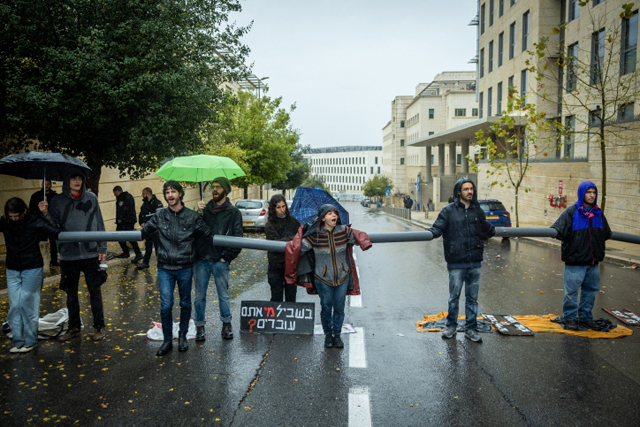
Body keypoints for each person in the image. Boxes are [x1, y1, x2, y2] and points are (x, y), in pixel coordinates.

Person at [284, 204, 372, 349]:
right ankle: (328, 336)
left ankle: (337, 336)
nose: (334, 216)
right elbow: (297, 248)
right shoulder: (315, 235)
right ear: (323, 218)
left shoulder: (344, 231)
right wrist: (301, 233)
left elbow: (357, 235)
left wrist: (364, 241)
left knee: (339, 308)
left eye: (335, 213)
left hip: (342, 278)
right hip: (322, 279)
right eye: (330, 213)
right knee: (326, 308)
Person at [142, 181, 212, 356]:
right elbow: (145, 232)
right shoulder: (160, 216)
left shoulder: (192, 216)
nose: (170, 195)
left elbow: (207, 235)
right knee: (166, 306)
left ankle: (182, 336)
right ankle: (167, 341)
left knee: (185, 303)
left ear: (180, 194)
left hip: (185, 267)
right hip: (164, 267)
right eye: (167, 192)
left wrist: (202, 214)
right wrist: (158, 243)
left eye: (173, 191)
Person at [43, 171, 108, 342]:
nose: (77, 181)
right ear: (66, 180)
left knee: (95, 291)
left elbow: (99, 222)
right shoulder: (56, 201)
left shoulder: (91, 198)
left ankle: (99, 327)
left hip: (91, 253)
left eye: (80, 178)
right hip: (68, 255)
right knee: (71, 294)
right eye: (73, 178)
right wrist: (45, 214)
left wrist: (103, 247)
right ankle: (74, 328)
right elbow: (53, 227)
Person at [429, 178, 495, 343]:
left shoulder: (477, 211)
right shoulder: (448, 211)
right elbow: (437, 227)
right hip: (456, 262)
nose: (469, 192)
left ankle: (471, 329)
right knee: (454, 297)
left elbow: (486, 229)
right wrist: (431, 233)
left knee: (472, 298)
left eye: (471, 189)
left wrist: (491, 228)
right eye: (466, 189)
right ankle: (451, 326)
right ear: (459, 192)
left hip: (475, 262)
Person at [1, 198, 59, 353]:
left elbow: (56, 231)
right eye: (11, 216)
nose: (13, 219)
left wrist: (46, 214)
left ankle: (31, 340)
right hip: (12, 268)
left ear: (24, 211)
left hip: (32, 268)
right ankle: (18, 341)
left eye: (16, 216)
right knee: (15, 305)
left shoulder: (35, 221)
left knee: (28, 304)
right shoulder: (5, 221)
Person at [551, 181, 611, 331]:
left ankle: (585, 317)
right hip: (575, 262)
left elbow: (606, 233)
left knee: (590, 291)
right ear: (582, 193)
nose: (592, 195)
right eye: (588, 192)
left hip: (593, 262)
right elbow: (556, 230)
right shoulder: (571, 212)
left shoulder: (598, 213)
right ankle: (570, 318)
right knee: (571, 292)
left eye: (594, 192)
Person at [194, 177, 243, 342]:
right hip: (201, 259)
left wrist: (226, 257)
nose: (214, 189)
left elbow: (238, 239)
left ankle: (227, 325)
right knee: (199, 296)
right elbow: (195, 232)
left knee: (223, 295)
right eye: (213, 187)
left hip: (219, 260)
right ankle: (199, 327)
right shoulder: (205, 209)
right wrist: (197, 214)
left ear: (225, 190)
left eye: (218, 187)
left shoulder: (233, 212)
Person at [265, 194, 300, 302]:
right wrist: (292, 239)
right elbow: (276, 244)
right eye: (278, 207)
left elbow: (301, 236)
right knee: (276, 297)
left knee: (291, 297)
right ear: (273, 209)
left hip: (291, 264)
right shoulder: (270, 225)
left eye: (283, 206)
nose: (282, 210)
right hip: (276, 265)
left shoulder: (293, 221)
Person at [28, 179, 59, 267]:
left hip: (51, 221)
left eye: (48, 184)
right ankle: (42, 261)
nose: (46, 186)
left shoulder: (55, 196)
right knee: (41, 242)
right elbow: (31, 210)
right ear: (42, 185)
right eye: (44, 184)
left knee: (53, 242)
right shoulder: (36, 196)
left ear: (51, 185)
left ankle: (54, 259)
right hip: (40, 223)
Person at [113, 186, 143, 262]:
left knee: (129, 237)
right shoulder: (125, 197)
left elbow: (123, 210)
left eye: (114, 193)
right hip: (125, 221)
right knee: (123, 237)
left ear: (117, 191)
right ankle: (127, 252)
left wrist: (121, 220)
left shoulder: (124, 198)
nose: (114, 195)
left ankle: (137, 253)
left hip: (126, 222)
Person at [137, 187, 163, 270]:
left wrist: (149, 225)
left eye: (143, 194)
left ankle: (161, 263)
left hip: (156, 230)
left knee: (158, 248)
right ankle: (145, 262)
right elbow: (141, 215)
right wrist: (141, 223)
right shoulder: (144, 205)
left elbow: (159, 217)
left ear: (148, 194)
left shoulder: (157, 203)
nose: (142, 196)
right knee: (148, 247)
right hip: (148, 231)